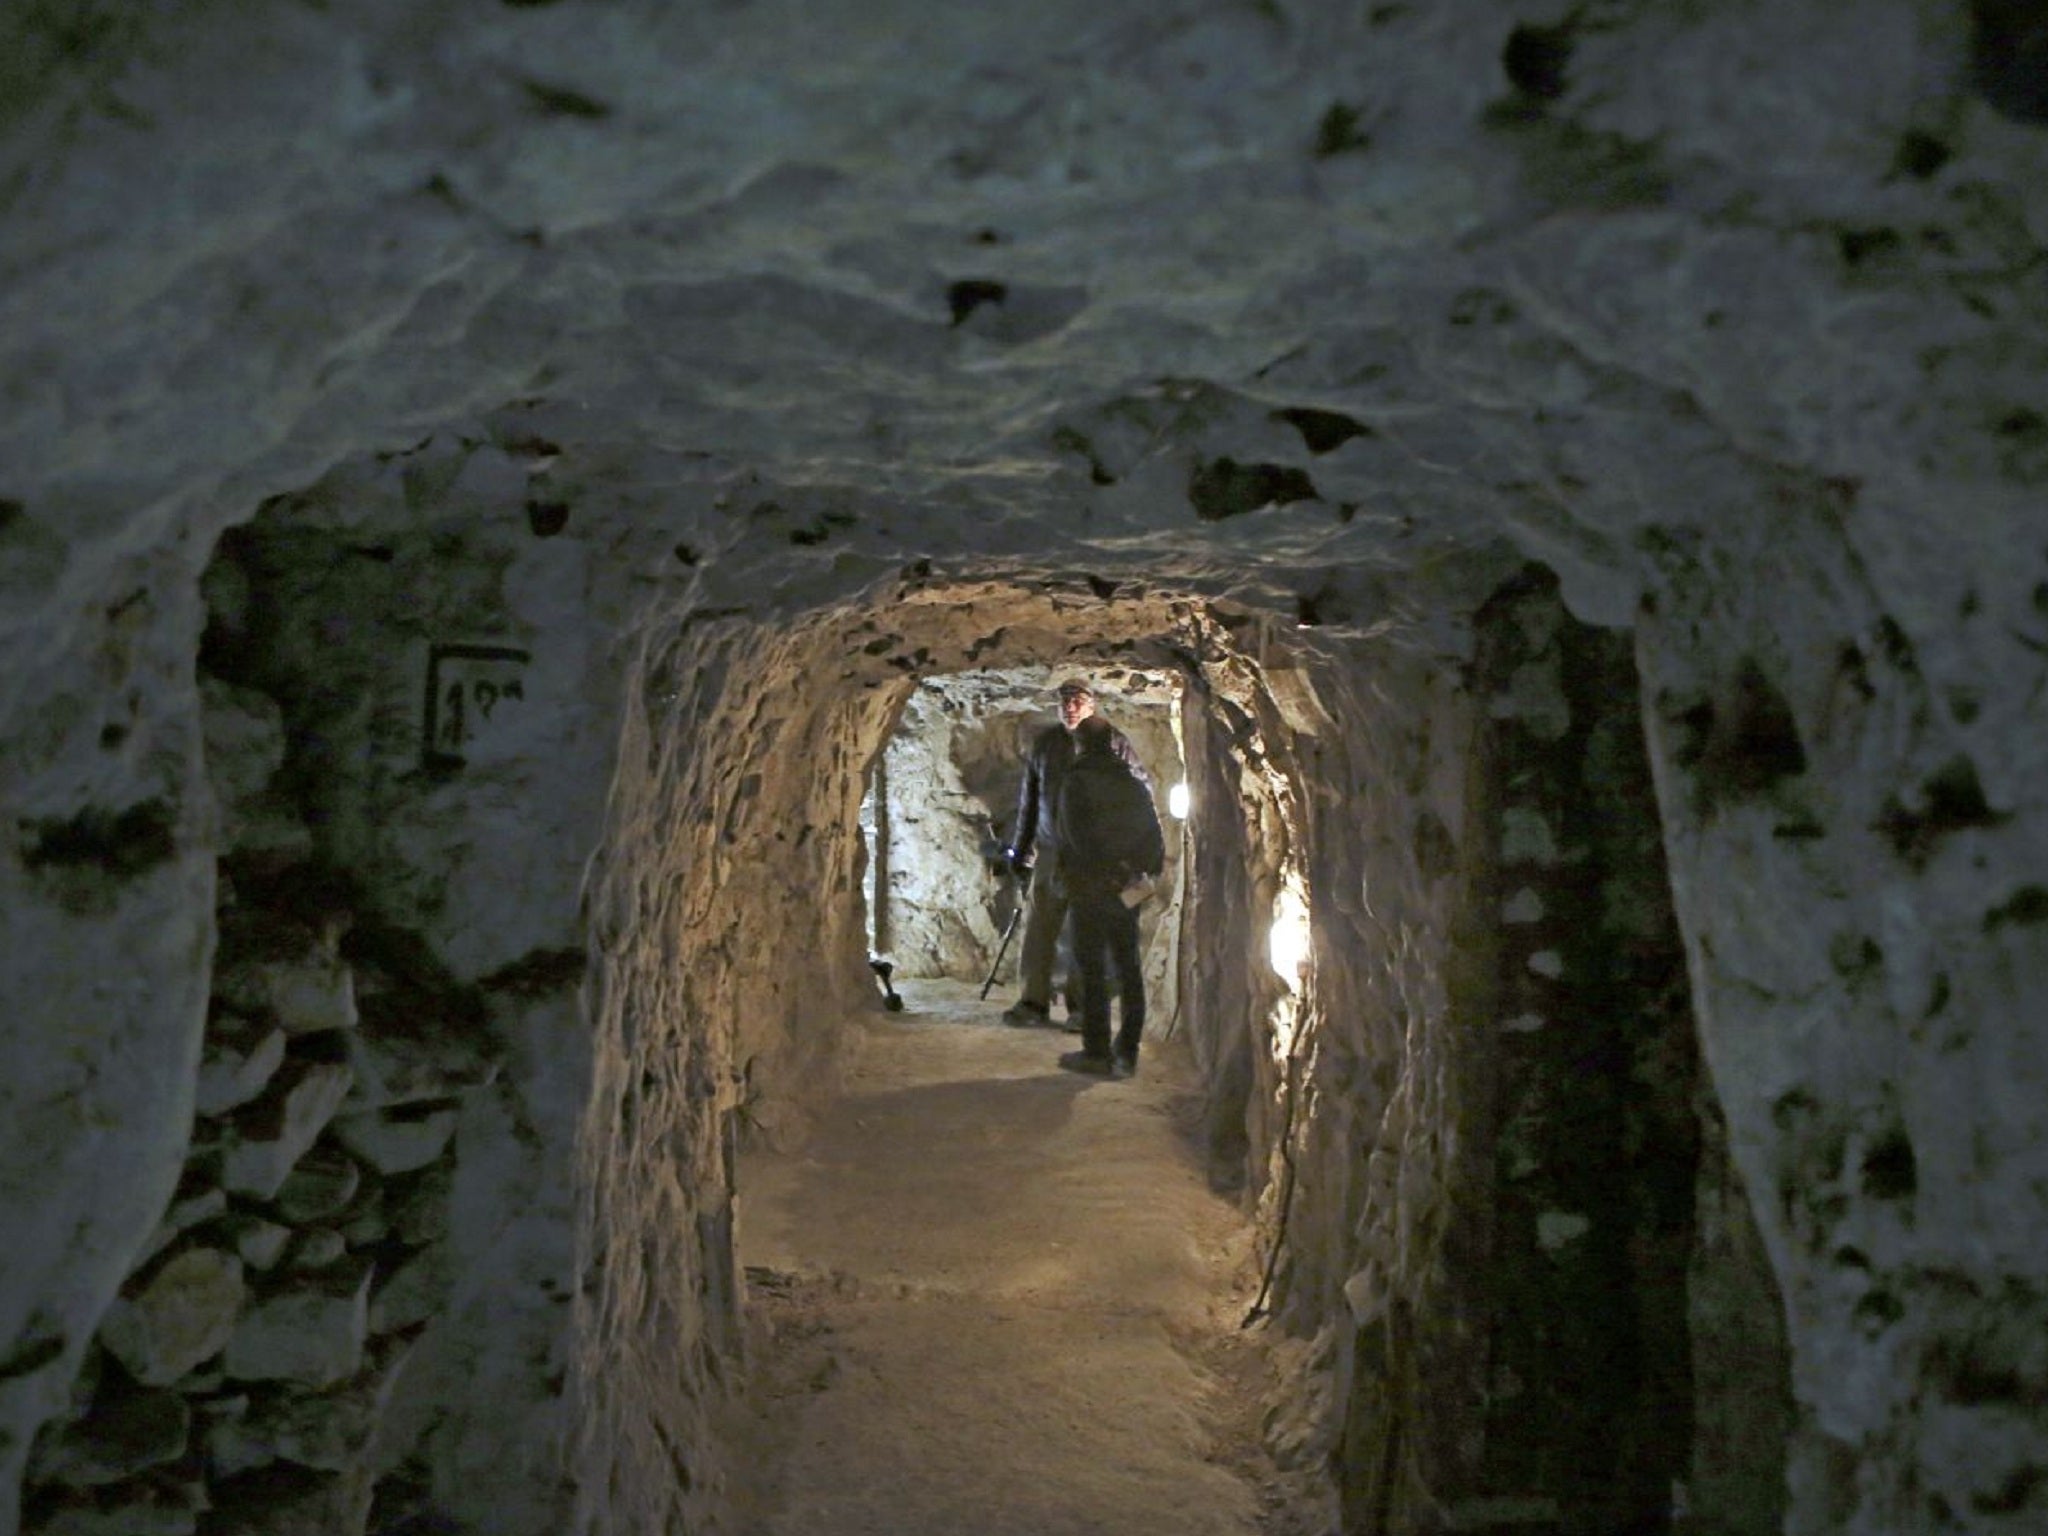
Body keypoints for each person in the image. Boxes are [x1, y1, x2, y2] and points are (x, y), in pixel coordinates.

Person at [1000, 677, 1146, 1029]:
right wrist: (1021, 851)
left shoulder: (1114, 744)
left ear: (1092, 705)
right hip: (1051, 850)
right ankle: (1033, 1002)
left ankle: (1084, 1007)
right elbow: (1030, 801)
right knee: (1040, 927)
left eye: (1078, 700)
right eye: (1065, 700)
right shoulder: (1047, 745)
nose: (1070, 707)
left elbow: (1137, 796)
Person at [1051, 715, 1165, 1077]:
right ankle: (1127, 1051)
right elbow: (1154, 842)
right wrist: (1130, 870)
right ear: (1113, 745)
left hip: (1090, 889)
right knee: (1128, 967)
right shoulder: (1132, 785)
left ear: (1080, 745)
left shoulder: (1076, 782)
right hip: (1124, 890)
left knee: (1092, 969)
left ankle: (1097, 1051)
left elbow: (1074, 837)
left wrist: (1097, 871)